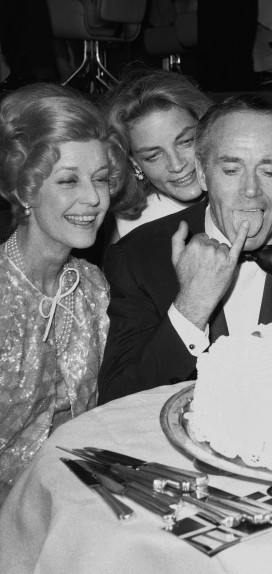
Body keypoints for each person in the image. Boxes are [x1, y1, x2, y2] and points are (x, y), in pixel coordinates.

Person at [98, 94, 272, 404]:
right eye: (231, 171)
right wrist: (191, 307)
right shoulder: (138, 257)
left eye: (269, 172)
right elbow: (116, 403)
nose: (251, 190)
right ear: (202, 173)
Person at [0, 83, 124, 503]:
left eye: (101, 179)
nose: (93, 198)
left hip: (76, 502)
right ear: (24, 188)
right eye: (69, 180)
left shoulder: (92, 287)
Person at [103, 67, 213, 241]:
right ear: (134, 163)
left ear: (208, 128)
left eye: (186, 141)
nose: (177, 165)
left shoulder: (251, 193)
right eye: (153, 156)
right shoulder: (129, 235)